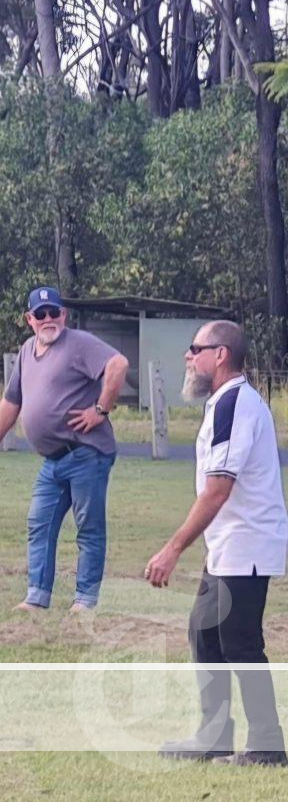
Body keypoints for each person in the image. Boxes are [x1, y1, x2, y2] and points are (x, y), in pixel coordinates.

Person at [147, 320, 287, 766]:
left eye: (195, 349)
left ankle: (267, 745)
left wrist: (172, 549)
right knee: (204, 632)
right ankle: (214, 737)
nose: (189, 356)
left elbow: (219, 488)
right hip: (227, 545)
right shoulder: (223, 403)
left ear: (220, 355)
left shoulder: (234, 405)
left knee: (240, 642)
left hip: (246, 545)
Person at [0, 286, 129, 612]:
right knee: (39, 524)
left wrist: (100, 410)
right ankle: (37, 597)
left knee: (88, 528)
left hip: (86, 453)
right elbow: (10, 402)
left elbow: (118, 364)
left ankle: (85, 601)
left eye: (54, 312)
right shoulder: (28, 349)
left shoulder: (80, 343)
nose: (48, 319)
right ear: (29, 319)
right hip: (53, 460)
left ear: (64, 314)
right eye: (40, 314)